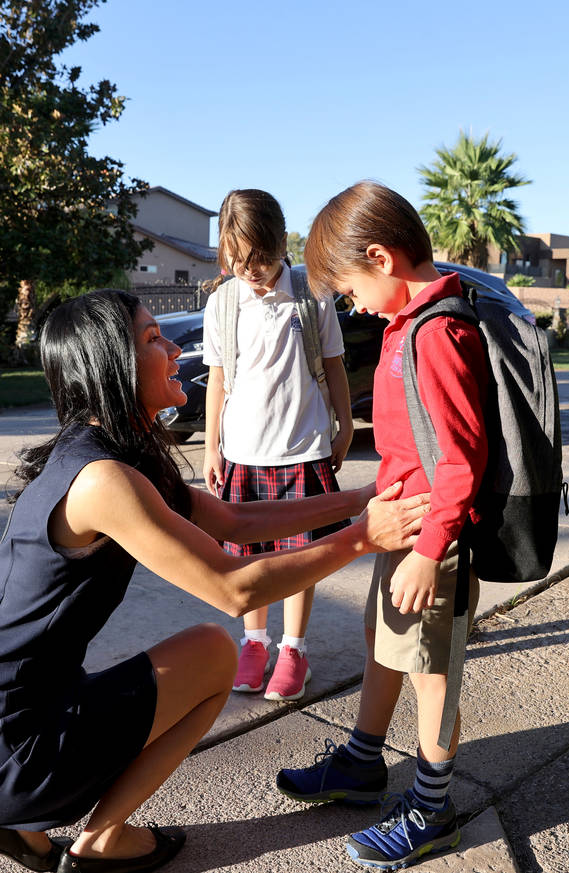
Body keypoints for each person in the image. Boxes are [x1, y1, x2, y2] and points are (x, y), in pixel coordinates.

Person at [0, 289, 428, 873]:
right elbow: (233, 589)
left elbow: (233, 520)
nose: (175, 351)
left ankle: (10, 827)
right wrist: (362, 539)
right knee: (214, 653)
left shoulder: (107, 455)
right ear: (114, 363)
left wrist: (359, 501)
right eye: (153, 339)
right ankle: (101, 841)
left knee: (184, 653)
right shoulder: (103, 479)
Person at [274, 182, 489, 870]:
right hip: (400, 527)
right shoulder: (407, 325)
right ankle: (364, 763)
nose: (351, 304)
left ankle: (433, 808)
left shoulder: (439, 331)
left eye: (349, 288)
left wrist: (431, 553)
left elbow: (461, 462)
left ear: (381, 257)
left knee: (433, 673)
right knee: (383, 643)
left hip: (435, 539)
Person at [202, 189, 354, 702]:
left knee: (298, 555)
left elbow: (333, 364)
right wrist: (211, 447)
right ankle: (254, 641)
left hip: (304, 446)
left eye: (260, 260)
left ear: (279, 244)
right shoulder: (223, 301)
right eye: (237, 261)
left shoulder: (312, 293)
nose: (250, 271)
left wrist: (347, 424)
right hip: (243, 451)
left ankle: (293, 648)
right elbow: (219, 380)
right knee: (248, 555)